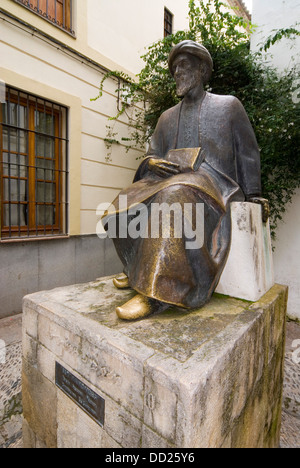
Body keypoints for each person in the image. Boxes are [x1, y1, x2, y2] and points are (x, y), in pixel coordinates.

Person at [103, 40, 269, 321]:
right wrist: (152, 163)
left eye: (184, 66)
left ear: (202, 70)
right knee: (125, 199)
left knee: (173, 197)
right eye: (175, 68)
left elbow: (248, 153)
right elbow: (151, 155)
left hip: (215, 184)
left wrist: (253, 193)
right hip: (170, 179)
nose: (178, 72)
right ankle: (136, 269)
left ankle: (154, 292)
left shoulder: (229, 106)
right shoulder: (166, 117)